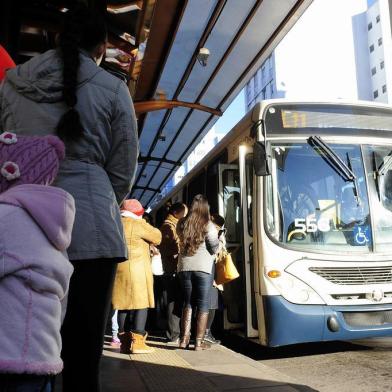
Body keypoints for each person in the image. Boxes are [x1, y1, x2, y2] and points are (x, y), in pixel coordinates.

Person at [0, 6, 138, 391]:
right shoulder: (113, 88)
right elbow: (123, 167)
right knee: (82, 354)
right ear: (101, 47)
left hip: (20, 223)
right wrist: (100, 202)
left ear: (58, 38)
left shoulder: (12, 84)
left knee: (19, 345)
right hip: (92, 232)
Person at [0, 133, 75, 391]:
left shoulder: (5, 217)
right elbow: (60, 304)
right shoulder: (54, 234)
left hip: (6, 358)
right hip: (44, 358)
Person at [112, 199, 162, 354]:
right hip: (137, 270)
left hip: (119, 269)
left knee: (123, 305)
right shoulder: (138, 224)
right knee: (141, 304)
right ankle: (138, 342)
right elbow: (157, 237)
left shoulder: (115, 223)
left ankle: (125, 343)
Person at [177, 195, 221, 351]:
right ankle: (198, 342)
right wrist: (220, 241)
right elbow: (214, 248)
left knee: (187, 303)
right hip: (203, 268)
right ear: (205, 209)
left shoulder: (182, 223)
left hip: (184, 268)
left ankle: (183, 340)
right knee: (203, 304)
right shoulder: (208, 225)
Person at [159, 202, 188, 344]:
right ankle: (172, 335)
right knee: (173, 303)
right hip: (171, 270)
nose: (186, 216)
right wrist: (179, 251)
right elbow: (165, 249)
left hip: (173, 270)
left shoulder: (172, 225)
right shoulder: (167, 227)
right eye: (184, 213)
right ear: (177, 213)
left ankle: (175, 334)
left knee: (175, 302)